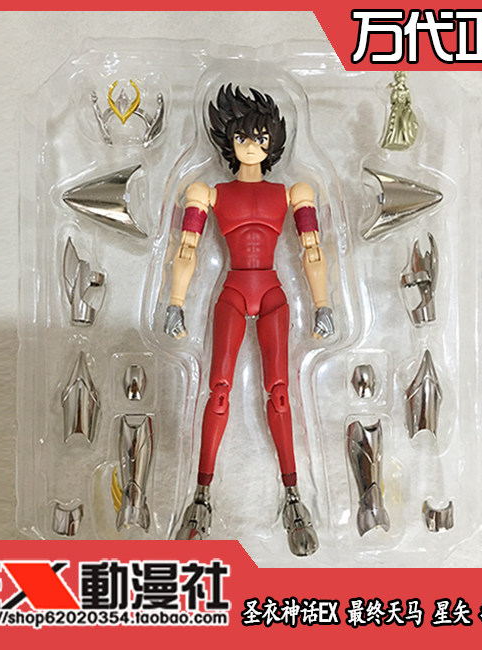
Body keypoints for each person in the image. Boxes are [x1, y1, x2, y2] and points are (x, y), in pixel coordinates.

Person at [164, 84, 334, 556]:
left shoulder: (295, 192)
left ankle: (293, 496)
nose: (252, 145)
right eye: (242, 136)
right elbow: (186, 248)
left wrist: (323, 304)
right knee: (218, 390)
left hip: (272, 292)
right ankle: (201, 496)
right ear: (229, 140)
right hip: (235, 291)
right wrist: (175, 302)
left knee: (279, 392)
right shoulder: (207, 192)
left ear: (273, 141)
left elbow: (312, 249)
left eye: (260, 137)